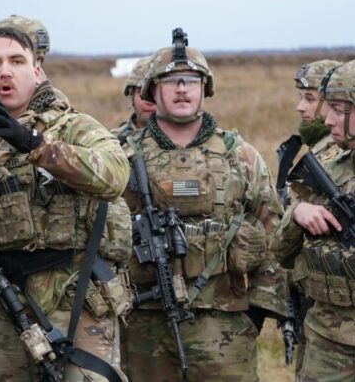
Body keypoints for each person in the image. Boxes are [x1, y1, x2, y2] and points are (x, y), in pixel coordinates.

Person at [0, 26, 131, 382]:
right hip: (9, 312)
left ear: (36, 71)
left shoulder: (73, 126)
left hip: (77, 305)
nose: (5, 71)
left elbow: (115, 175)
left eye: (17, 61)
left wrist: (37, 146)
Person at [121, 29, 286, 382]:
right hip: (143, 324)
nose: (182, 89)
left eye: (191, 81)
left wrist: (256, 312)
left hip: (225, 323)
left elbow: (273, 233)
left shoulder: (239, 156)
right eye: (172, 81)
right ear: (153, 90)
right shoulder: (124, 157)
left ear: (204, 89)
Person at [272, 59, 355, 382]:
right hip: (328, 339)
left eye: (338, 109)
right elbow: (280, 251)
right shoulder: (328, 168)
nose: (327, 118)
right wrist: (297, 215)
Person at [112, 57, 155, 145]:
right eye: (142, 92)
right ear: (132, 95)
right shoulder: (112, 142)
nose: (149, 101)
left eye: (155, 93)